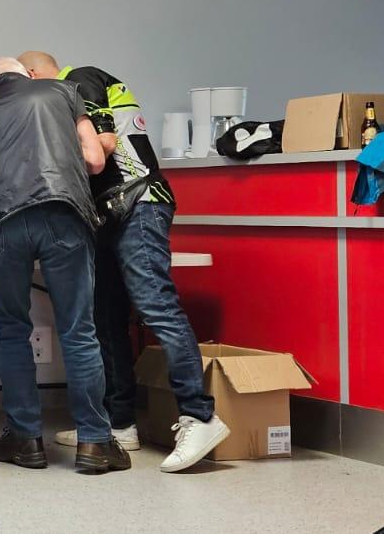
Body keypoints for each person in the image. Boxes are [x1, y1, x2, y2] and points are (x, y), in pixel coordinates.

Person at [18, 51, 229, 472]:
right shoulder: (69, 92)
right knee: (106, 316)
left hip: (139, 204)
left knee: (155, 304)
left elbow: (103, 147)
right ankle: (119, 423)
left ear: (32, 75)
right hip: (109, 213)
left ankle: (200, 415)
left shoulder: (79, 80)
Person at [0, 57, 128, 475]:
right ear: (26, 75)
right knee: (79, 329)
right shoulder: (65, 92)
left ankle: (25, 440)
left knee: (13, 331)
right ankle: (94, 443)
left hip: (2, 225)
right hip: (63, 213)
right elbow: (94, 161)